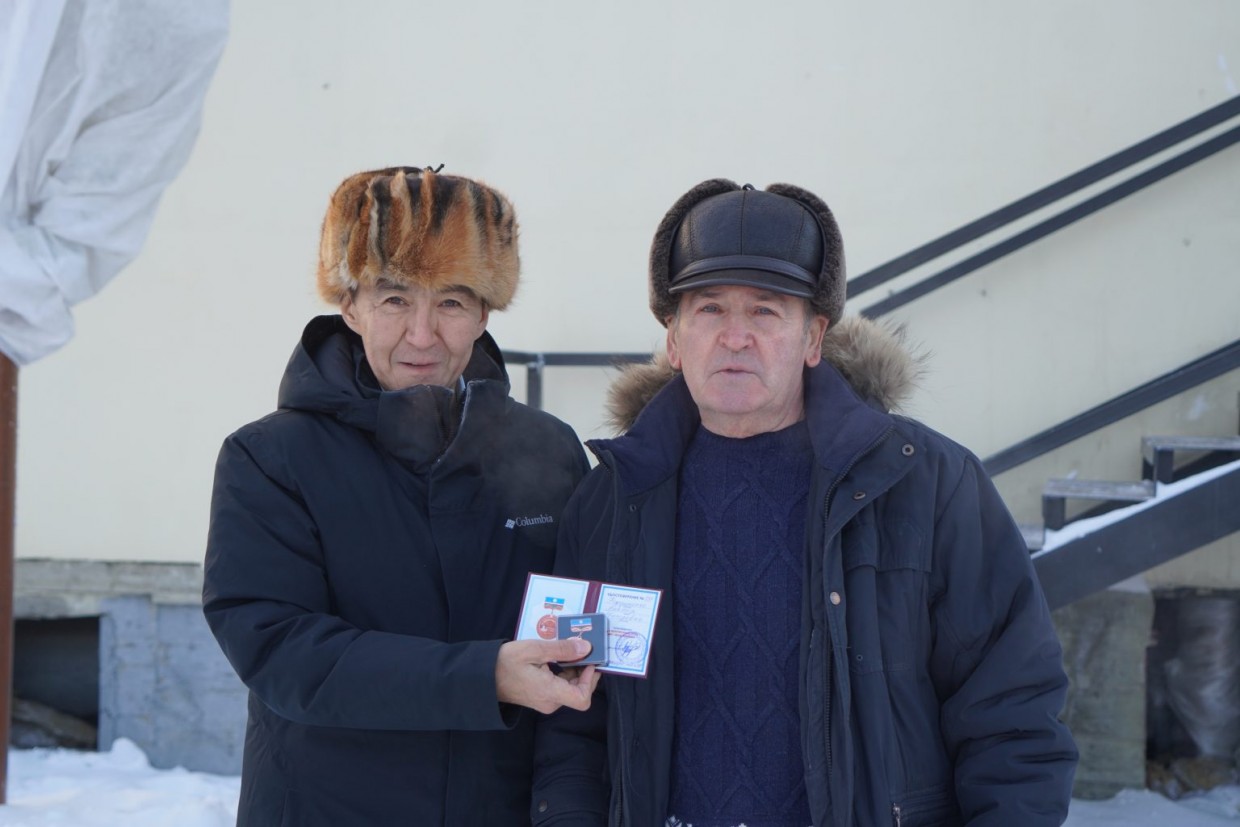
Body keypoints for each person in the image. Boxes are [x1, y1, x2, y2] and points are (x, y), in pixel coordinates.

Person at [533, 179, 1078, 826]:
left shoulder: (926, 485)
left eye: (766, 311)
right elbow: (572, 720)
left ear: (814, 337)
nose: (736, 337)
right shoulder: (613, 498)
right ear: (674, 338)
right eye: (710, 309)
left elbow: (1013, 716)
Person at [203, 166, 599, 826]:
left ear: (484, 313)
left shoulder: (549, 449)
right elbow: (280, 649)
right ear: (350, 306)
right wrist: (484, 677)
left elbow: (579, 641)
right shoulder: (272, 458)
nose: (422, 334)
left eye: (451, 303)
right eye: (394, 299)